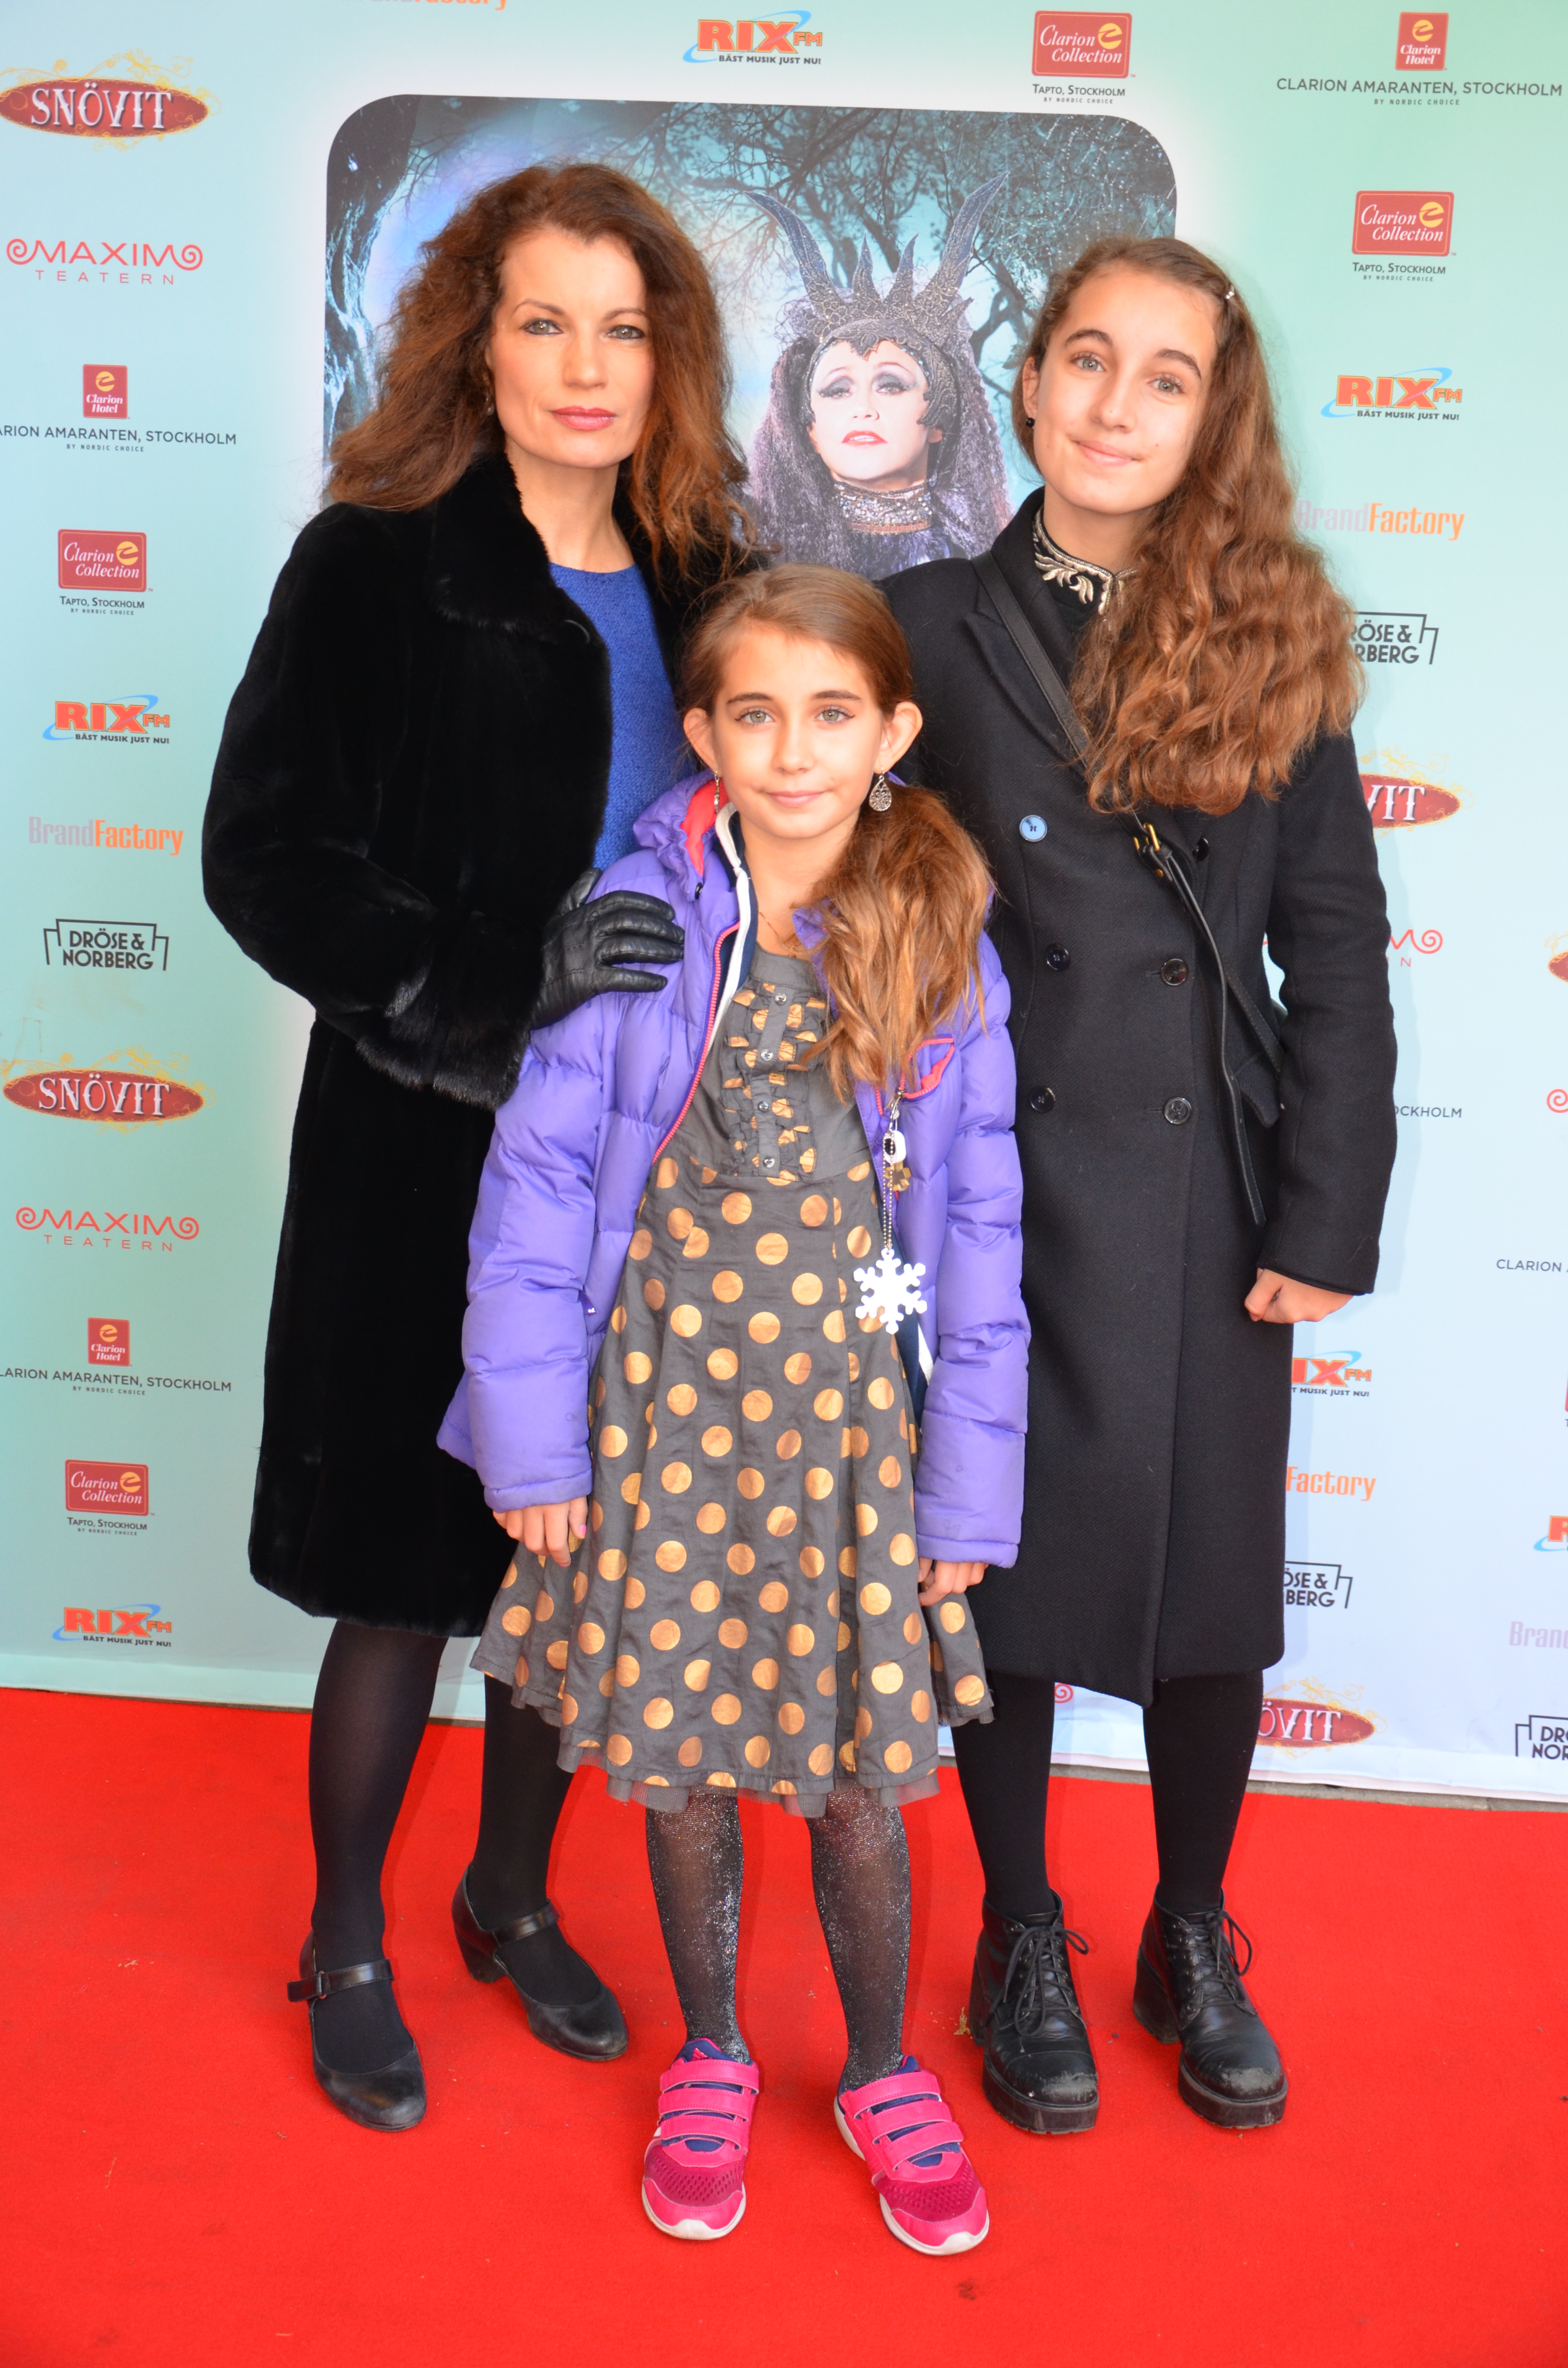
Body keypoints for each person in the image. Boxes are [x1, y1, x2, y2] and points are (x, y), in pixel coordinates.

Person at [203, 162, 755, 2133]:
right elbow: (264, 858)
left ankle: (509, 1893)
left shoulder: (702, 573)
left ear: (667, 359)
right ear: (477, 341)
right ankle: (348, 1935)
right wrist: (491, 982)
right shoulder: (374, 562)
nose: (585, 365)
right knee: (401, 1573)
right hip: (421, 1154)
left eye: (624, 327)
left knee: (565, 1558)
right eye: (544, 321)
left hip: (645, 1164)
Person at [440, 565, 1029, 2250]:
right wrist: (533, 1446)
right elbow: (536, 1193)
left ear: (891, 733)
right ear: (699, 732)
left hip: (849, 1427)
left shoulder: (935, 931)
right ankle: (710, 2046)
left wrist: (963, 1494)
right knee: (678, 1754)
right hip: (657, 1411)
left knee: (857, 1782)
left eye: (830, 714)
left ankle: (880, 2065)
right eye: (753, 714)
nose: (791, 750)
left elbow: (977, 1230)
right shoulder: (636, 917)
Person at [884, 238, 1396, 2136]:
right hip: (993, 1184)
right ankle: (1020, 1925)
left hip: (1207, 1185)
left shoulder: (1277, 638)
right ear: (1029, 384)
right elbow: (819, 860)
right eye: (1087, 358)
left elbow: (1333, 941)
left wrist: (1324, 1210)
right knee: (997, 1568)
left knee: (1211, 1585)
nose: (1116, 402)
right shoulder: (922, 622)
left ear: (1208, 419)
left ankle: (1191, 1921)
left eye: (1164, 376)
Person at [747, 183, 1012, 578]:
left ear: (939, 419)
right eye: (837, 390)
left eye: (891, 385)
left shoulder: (987, 569)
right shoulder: (755, 564)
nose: (863, 409)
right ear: (810, 429)